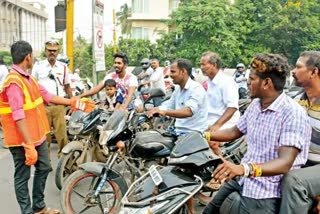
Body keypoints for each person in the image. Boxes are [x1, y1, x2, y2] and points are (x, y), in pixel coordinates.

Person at [202, 53, 311, 214]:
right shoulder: (255, 105)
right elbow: (235, 131)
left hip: (266, 192)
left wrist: (244, 169)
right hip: (243, 181)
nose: (247, 82)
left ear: (266, 83)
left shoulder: (292, 113)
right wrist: (204, 136)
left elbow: (285, 162)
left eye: (252, 79)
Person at [0, 40, 94, 214]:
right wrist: (28, 145)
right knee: (22, 176)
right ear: (28, 57)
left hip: (38, 136)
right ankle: (27, 211)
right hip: (22, 140)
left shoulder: (28, 79)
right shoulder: (13, 82)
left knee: (44, 167)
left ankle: (39, 206)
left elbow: (48, 96)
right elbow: (18, 114)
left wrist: (74, 102)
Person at [280, 51, 320, 214]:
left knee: (293, 181)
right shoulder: (296, 100)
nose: (293, 71)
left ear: (314, 72)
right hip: (300, 163)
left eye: (298, 67)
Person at [31, 40, 73, 163]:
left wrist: (72, 101)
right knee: (45, 137)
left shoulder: (63, 67)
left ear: (58, 52)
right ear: (45, 51)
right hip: (43, 107)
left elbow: (67, 86)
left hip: (59, 106)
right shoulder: (38, 66)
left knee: (62, 137)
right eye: (49, 50)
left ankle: (63, 163)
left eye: (54, 51)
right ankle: (45, 163)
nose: (52, 53)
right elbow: (32, 86)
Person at [147, 58, 208, 135]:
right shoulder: (178, 89)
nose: (170, 75)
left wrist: (164, 112)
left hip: (193, 134)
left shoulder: (196, 88)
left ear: (183, 72)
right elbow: (169, 106)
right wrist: (155, 109)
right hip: (178, 132)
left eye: (173, 72)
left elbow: (188, 111)